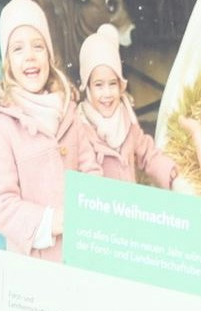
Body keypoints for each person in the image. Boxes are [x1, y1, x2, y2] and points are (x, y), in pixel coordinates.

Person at [0, 0, 73, 261]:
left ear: (49, 55)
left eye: (38, 46)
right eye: (18, 49)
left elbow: (91, 170)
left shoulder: (69, 110)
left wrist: (93, 208)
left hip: (79, 257)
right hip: (35, 264)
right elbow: (2, 205)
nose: (30, 56)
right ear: (7, 61)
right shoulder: (2, 124)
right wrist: (52, 221)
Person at [57, 24, 177, 190]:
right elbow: (84, 176)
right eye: (99, 85)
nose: (107, 93)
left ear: (121, 85)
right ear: (88, 88)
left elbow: (148, 153)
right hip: (100, 203)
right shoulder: (80, 128)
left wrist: (172, 175)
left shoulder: (126, 120)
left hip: (129, 203)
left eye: (112, 84)